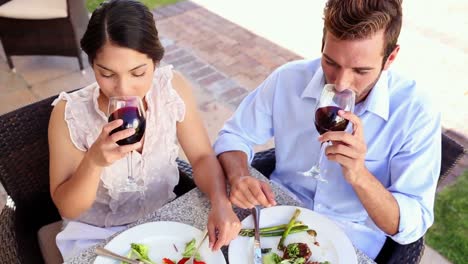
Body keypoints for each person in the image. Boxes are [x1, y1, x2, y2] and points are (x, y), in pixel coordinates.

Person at [214, 0, 441, 259]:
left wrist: (359, 175)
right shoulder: (288, 79)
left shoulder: (416, 112)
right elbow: (234, 135)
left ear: (390, 58)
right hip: (274, 219)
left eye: (360, 70)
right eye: (331, 62)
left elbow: (412, 224)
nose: (341, 83)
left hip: (349, 243)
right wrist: (239, 176)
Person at [48, 0, 240, 260]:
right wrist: (93, 162)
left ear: (155, 62)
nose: (124, 88)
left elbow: (202, 157)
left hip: (163, 222)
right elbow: (68, 207)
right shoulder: (68, 114)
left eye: (138, 73)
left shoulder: (172, 89)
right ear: (93, 64)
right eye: (107, 74)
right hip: (97, 236)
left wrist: (220, 202)